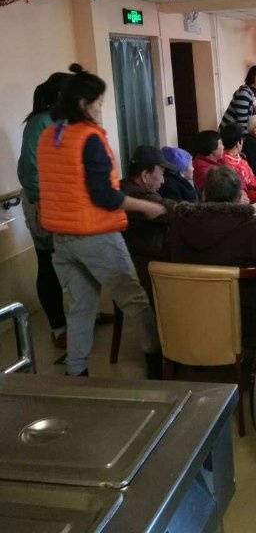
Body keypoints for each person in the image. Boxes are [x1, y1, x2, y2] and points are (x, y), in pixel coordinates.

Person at [36, 64, 164, 378]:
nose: (100, 108)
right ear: (84, 104)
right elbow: (105, 196)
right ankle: (156, 364)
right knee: (134, 299)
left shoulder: (50, 135)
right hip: (94, 234)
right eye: (99, 102)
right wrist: (146, 207)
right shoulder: (88, 138)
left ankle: (76, 372)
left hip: (61, 238)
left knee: (80, 307)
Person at [167, 165, 256, 347]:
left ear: (204, 194)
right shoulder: (246, 224)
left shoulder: (180, 221)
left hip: (188, 305)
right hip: (240, 309)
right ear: (238, 197)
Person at [17, 70, 70, 348]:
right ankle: (58, 328)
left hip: (63, 202)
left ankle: (80, 317)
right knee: (48, 264)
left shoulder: (61, 122)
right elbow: (29, 168)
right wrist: (41, 200)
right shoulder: (40, 123)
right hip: (43, 202)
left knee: (72, 263)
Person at [121, 145, 178, 302]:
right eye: (162, 174)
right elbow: (172, 211)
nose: (163, 180)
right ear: (145, 175)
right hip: (146, 272)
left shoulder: (124, 187)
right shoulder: (140, 195)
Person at [220, 123, 256, 204]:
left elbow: (253, 178)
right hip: (250, 200)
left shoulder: (236, 157)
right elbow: (246, 187)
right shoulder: (227, 163)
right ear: (238, 143)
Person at [220, 65, 256, 134]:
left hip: (239, 131)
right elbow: (242, 121)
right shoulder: (244, 93)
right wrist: (247, 137)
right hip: (229, 134)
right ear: (253, 76)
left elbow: (254, 116)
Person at [192, 130, 224, 194]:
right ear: (212, 148)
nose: (223, 147)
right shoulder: (203, 171)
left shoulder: (217, 160)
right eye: (221, 144)